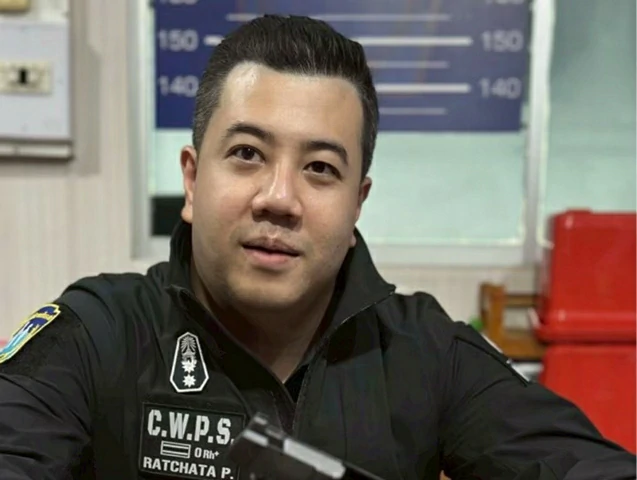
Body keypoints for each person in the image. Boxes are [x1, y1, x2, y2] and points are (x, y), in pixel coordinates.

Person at [0, 14, 634, 480]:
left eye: (321, 168)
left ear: (358, 202)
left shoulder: (426, 353)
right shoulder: (98, 335)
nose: (279, 197)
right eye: (247, 153)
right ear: (192, 181)